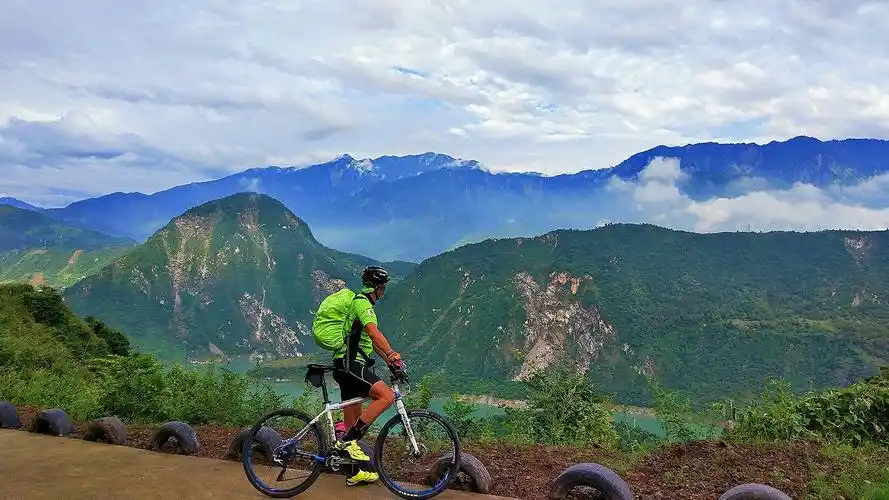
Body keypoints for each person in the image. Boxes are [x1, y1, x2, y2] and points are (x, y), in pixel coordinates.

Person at [330, 265, 404, 486]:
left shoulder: (362, 304)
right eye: (383, 287)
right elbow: (374, 333)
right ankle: (347, 441)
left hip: (347, 366)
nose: (384, 291)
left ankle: (355, 471)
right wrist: (392, 353)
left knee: (352, 424)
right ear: (378, 288)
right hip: (349, 366)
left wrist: (390, 360)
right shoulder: (363, 304)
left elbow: (370, 342)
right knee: (387, 396)